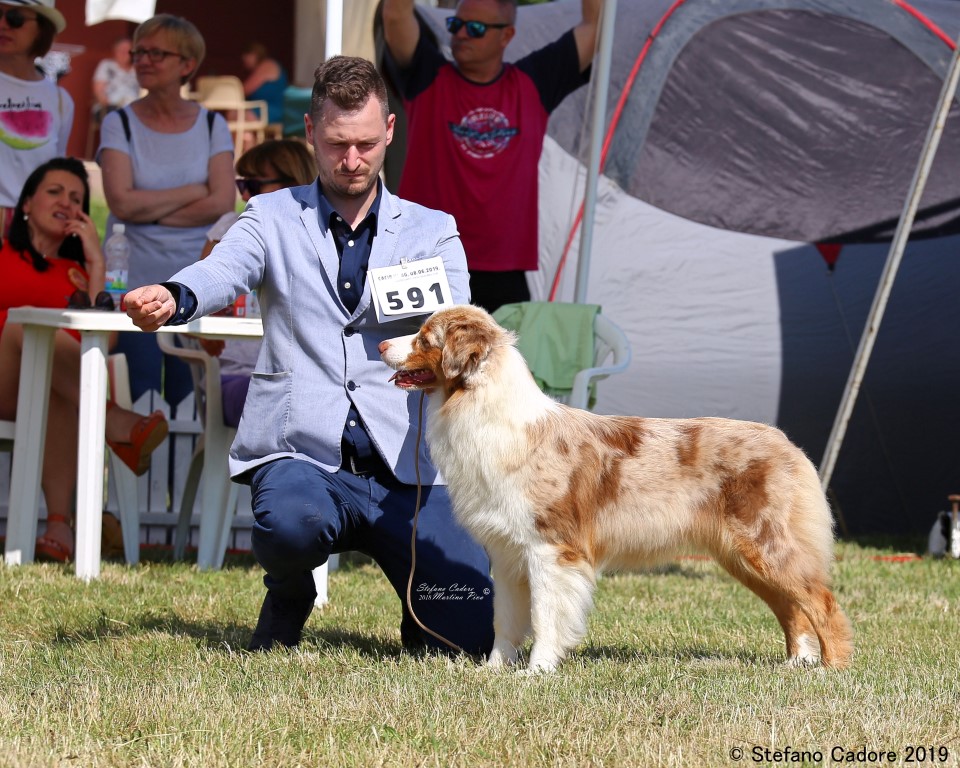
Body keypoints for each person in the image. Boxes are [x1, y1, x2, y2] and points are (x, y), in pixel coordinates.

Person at [124, 55, 495, 656]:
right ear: (309, 135)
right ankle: (290, 590)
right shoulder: (269, 215)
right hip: (302, 451)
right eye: (337, 144)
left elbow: (458, 323)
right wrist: (175, 295)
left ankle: (425, 610)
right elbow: (223, 270)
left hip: (413, 467)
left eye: (367, 145)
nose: (352, 161)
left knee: (466, 640)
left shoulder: (434, 229)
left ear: (391, 132)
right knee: (289, 524)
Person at [381, 0, 601, 313]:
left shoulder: (534, 81)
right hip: (422, 260)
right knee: (411, 361)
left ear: (506, 35)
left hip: (503, 271)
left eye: (476, 29)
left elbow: (594, 26)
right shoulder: (426, 75)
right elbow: (395, 13)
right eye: (456, 26)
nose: (461, 35)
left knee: (502, 363)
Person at [0, 157, 168, 563]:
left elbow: (105, 342)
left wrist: (95, 262)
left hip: (49, 389)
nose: (67, 202)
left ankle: (58, 528)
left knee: (54, 385)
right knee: (25, 326)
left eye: (76, 198)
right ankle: (115, 421)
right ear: (26, 203)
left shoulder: (78, 272)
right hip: (3, 378)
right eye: (55, 191)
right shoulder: (3, 254)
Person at [98, 13, 235, 404]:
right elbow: (120, 201)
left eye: (156, 53)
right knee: (137, 393)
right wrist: (194, 190)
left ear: (187, 65)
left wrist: (147, 210)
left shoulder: (212, 125)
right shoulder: (118, 123)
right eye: (139, 52)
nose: (143, 60)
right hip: (131, 282)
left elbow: (222, 203)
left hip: (194, 282)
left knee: (188, 397)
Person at [197, 138, 315, 428]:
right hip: (237, 375)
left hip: (304, 377)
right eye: (242, 185)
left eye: (253, 185)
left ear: (294, 183)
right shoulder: (228, 229)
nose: (243, 196)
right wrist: (206, 333)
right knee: (284, 401)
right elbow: (195, 303)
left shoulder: (323, 236)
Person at [0, 0, 73, 238]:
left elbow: (56, 175)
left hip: (31, 233)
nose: (2, 24)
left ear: (42, 28)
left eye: (15, 18)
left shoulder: (61, 100)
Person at [91, 37, 139, 120]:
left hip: (135, 109)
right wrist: (108, 103)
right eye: (121, 50)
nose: (124, 53)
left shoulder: (137, 69)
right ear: (115, 50)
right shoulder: (106, 65)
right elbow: (98, 91)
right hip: (110, 108)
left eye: (128, 50)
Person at [240, 42, 287, 126]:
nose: (244, 58)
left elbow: (245, 90)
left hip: (273, 110)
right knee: (235, 114)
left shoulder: (267, 65)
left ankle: (247, 138)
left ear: (255, 54)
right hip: (258, 109)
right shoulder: (256, 70)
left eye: (247, 55)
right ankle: (246, 138)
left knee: (242, 116)